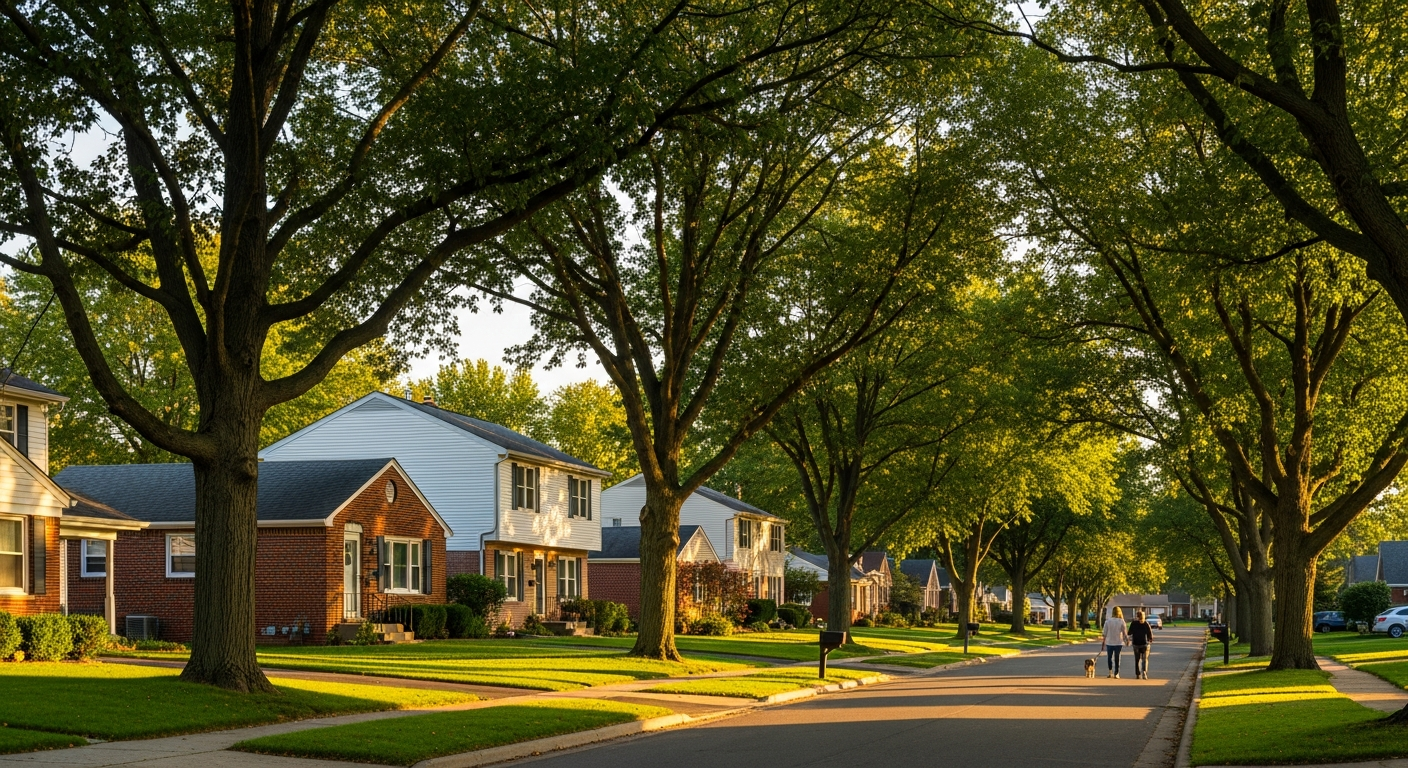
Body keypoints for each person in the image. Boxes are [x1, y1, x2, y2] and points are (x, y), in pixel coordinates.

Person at [1101, 606, 1129, 678]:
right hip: (1118, 642)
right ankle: (1116, 673)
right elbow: (1125, 633)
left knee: (1109, 657)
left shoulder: (1108, 621)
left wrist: (1103, 643)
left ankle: (1110, 672)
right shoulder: (1121, 621)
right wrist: (1127, 640)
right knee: (1117, 658)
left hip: (1109, 642)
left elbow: (1104, 633)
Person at [1129, 610, 1154, 679]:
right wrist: (1150, 640)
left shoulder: (1133, 623)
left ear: (1136, 616)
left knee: (1137, 659)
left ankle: (1137, 674)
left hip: (1136, 643)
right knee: (1145, 659)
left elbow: (1129, 632)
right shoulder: (1146, 623)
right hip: (1144, 643)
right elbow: (1150, 634)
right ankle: (1144, 672)